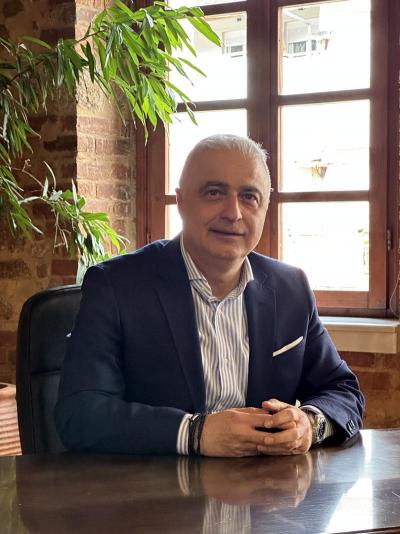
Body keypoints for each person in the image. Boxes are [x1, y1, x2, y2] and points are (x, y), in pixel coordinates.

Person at [55, 134, 364, 457]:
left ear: (265, 209)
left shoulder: (290, 288)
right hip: (157, 485)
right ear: (181, 201)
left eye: (249, 196)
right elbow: (80, 413)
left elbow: (342, 390)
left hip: (266, 486)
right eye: (214, 193)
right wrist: (195, 433)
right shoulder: (116, 286)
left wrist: (311, 424)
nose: (233, 212)